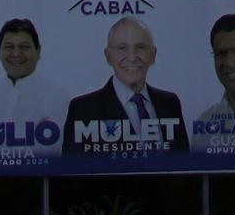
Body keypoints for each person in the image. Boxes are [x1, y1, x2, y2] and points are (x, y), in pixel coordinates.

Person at [62, 17, 187, 151]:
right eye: (122, 48)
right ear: (108, 56)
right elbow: (74, 169)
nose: (132, 57)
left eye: (141, 47)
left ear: (153, 55)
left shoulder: (170, 103)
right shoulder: (83, 109)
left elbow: (184, 164)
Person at [0, 18, 66, 124]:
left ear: (38, 51)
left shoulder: (57, 96)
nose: (16, 54)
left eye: (24, 47)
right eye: (9, 47)